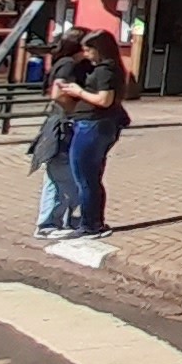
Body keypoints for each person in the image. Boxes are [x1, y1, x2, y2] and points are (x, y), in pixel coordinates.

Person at [57, 30, 133, 238]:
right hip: (94, 124)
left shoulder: (106, 71)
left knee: (85, 177)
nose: (87, 54)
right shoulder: (105, 69)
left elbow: (104, 100)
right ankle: (91, 221)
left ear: (100, 49)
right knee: (90, 176)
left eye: (89, 50)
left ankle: (91, 224)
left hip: (93, 126)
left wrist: (77, 91)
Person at [28, 34, 86, 239]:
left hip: (62, 123)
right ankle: (49, 223)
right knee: (62, 177)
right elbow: (57, 93)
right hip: (62, 125)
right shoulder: (68, 64)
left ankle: (58, 220)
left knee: (58, 176)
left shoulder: (65, 62)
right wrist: (77, 107)